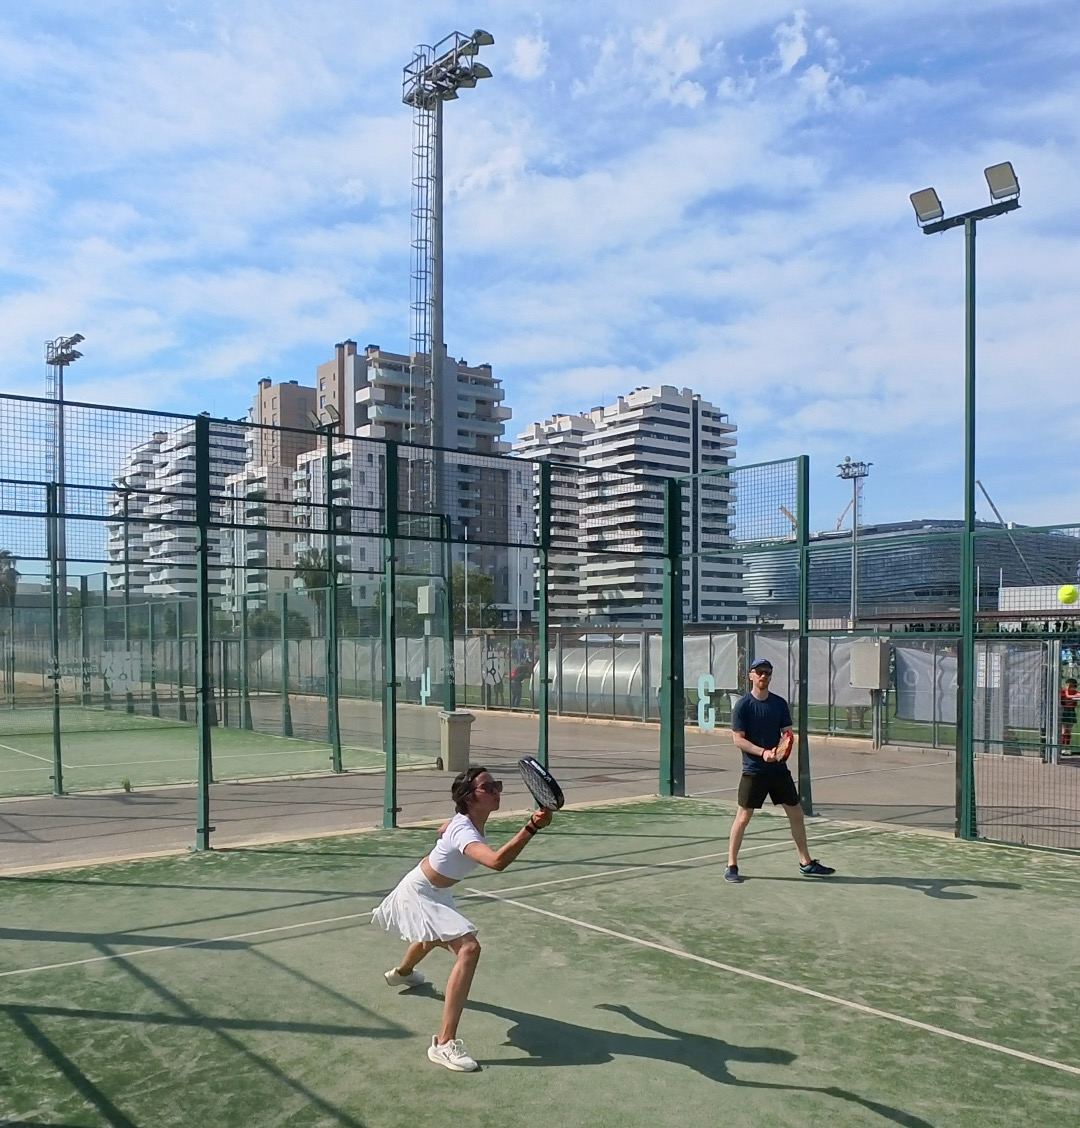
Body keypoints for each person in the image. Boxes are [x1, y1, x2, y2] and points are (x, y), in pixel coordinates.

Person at [372, 766, 553, 1071]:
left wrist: (447, 830)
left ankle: (402, 973)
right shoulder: (464, 830)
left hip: (435, 891)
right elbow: (496, 862)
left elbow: (444, 829)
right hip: (420, 891)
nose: (497, 791)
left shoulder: (464, 823)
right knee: (468, 949)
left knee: (430, 937)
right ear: (469, 798)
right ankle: (443, 1044)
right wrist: (530, 828)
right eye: (488, 788)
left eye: (497, 785)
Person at [725, 657, 835, 883]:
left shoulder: (779, 704)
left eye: (767, 672)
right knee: (743, 817)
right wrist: (763, 752)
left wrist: (784, 746)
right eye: (759, 672)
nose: (763, 676)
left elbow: (786, 732)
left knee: (796, 813)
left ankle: (806, 862)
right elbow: (738, 740)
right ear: (751, 676)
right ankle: (731, 865)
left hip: (778, 770)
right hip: (754, 770)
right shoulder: (743, 706)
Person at [1061, 678, 1080, 752]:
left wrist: (1072, 696)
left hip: (1071, 711)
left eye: (1071, 686)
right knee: (1064, 730)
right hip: (1064, 711)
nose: (1069, 687)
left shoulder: (1075, 692)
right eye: (1068, 685)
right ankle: (1063, 747)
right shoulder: (1063, 692)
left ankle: (1067, 747)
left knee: (1069, 730)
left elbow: (1076, 695)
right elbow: (1065, 696)